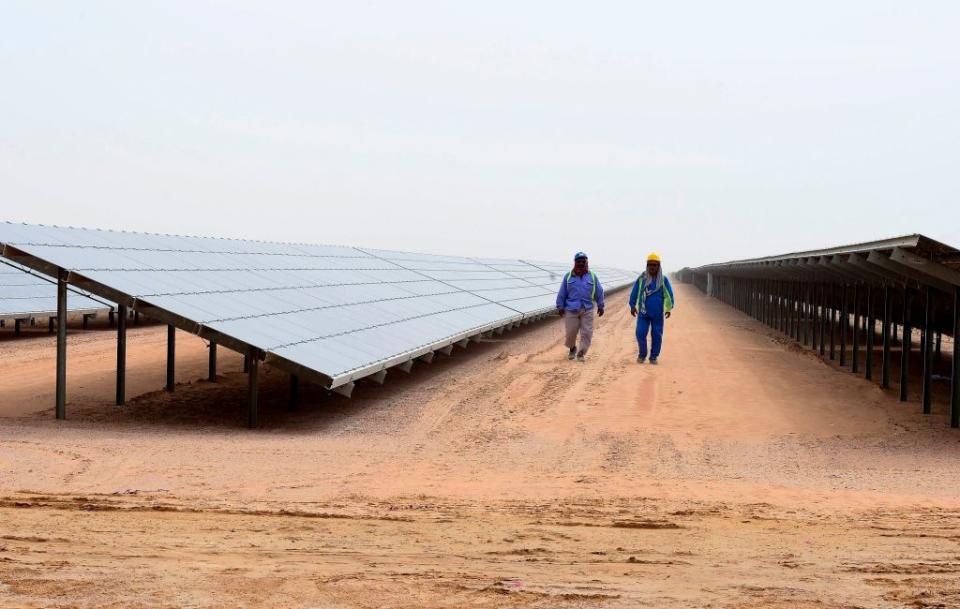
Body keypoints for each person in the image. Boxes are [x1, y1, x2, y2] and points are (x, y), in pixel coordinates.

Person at [556, 252, 605, 361]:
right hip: (571, 309)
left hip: (587, 309)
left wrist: (601, 306)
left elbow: (599, 291)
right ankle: (572, 348)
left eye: (583, 261)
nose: (581, 263)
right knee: (570, 333)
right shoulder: (568, 276)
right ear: (575, 262)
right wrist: (560, 306)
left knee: (587, 332)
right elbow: (562, 292)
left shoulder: (592, 276)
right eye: (579, 261)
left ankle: (581, 353)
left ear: (586, 262)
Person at [629, 253, 675, 364]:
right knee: (640, 333)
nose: (652, 267)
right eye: (650, 265)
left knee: (657, 335)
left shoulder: (663, 280)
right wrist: (632, 305)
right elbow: (634, 292)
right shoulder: (642, 279)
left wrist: (668, 308)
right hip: (643, 313)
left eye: (655, 265)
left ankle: (653, 357)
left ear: (658, 266)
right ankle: (642, 354)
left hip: (657, 314)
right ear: (647, 265)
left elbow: (669, 295)